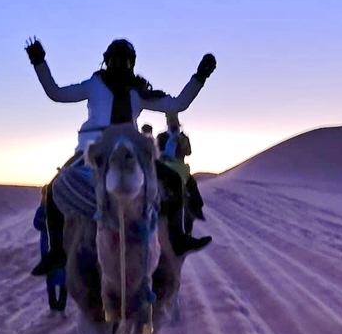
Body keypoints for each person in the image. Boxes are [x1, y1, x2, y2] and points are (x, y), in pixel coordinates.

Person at [25, 36, 216, 275]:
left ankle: (177, 238)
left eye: (124, 59)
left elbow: (177, 104)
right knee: (54, 190)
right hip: (92, 150)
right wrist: (39, 62)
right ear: (107, 60)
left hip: (127, 149)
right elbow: (56, 93)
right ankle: (58, 253)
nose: (120, 63)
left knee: (174, 182)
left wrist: (200, 76)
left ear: (131, 62)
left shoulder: (139, 90)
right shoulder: (96, 84)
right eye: (116, 58)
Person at [157, 112, 206, 225]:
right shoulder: (162, 136)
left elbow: (189, 152)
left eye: (174, 121)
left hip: (180, 166)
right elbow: (157, 151)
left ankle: (196, 209)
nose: (173, 123)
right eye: (170, 121)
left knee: (192, 185)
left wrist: (182, 143)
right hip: (165, 165)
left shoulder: (183, 137)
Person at [33, 186, 68, 311]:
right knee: (51, 276)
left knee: (64, 276)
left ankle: (61, 304)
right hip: (48, 248)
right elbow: (37, 224)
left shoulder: (61, 207)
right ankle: (53, 305)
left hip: (61, 247)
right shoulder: (43, 209)